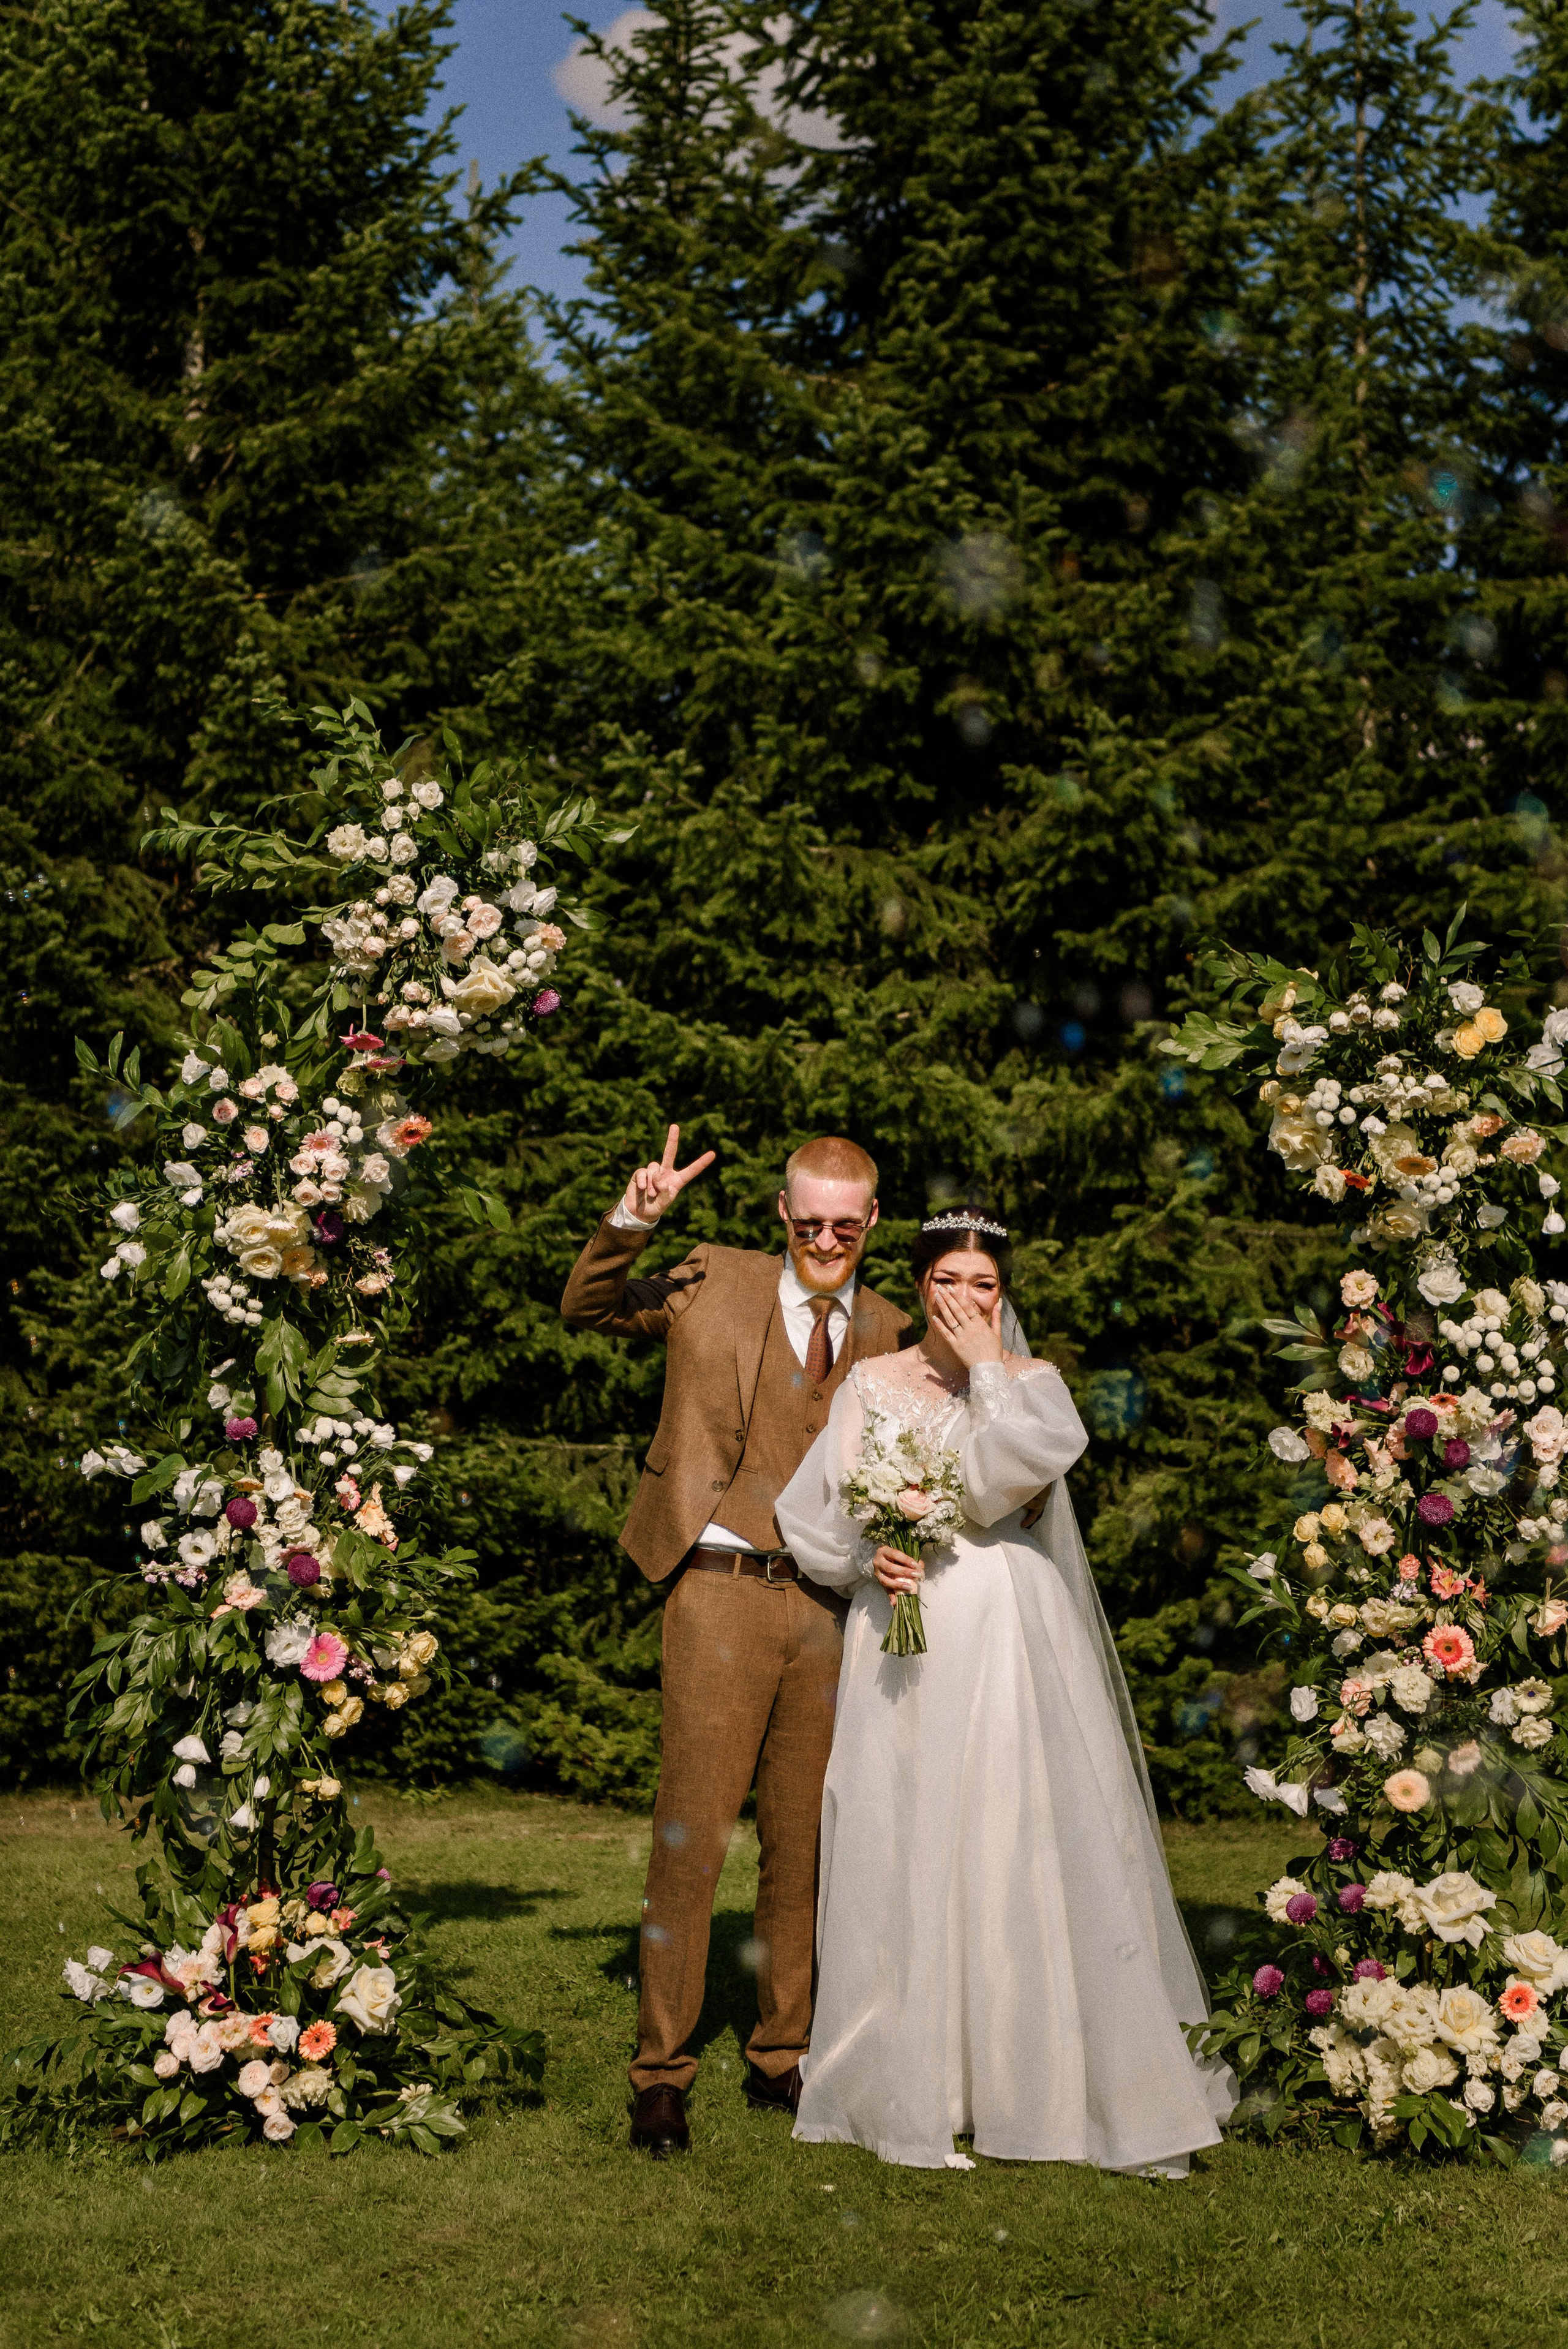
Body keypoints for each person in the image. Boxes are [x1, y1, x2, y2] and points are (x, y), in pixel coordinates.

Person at [774, 1209, 1235, 2174]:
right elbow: (813, 1510)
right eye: (947, 1280)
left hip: (1007, 1622)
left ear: (1003, 1294)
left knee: (1012, 1823)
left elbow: (997, 1489)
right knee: (903, 1821)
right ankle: (917, 2071)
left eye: (983, 1285)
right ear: (920, 1286)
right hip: (904, 1625)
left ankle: (1034, 2071)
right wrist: (867, 1556)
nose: (965, 1299)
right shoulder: (870, 1382)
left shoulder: (1034, 1387)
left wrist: (987, 1370)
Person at [560, 1126, 910, 2156]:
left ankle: (781, 2054)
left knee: (804, 1847)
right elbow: (587, 1307)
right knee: (693, 1839)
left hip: (832, 1611)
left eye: (846, 1227)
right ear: (781, 1214)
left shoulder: (893, 1330)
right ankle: (660, 2075)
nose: (826, 1241)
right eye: (810, 1224)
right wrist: (633, 1218)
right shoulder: (712, 1277)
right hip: (716, 1593)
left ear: (873, 1222)